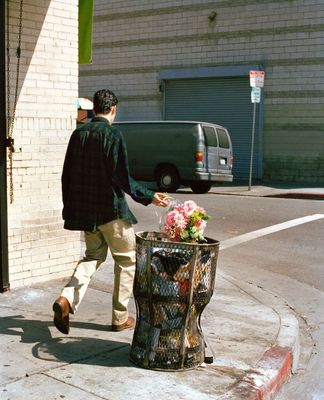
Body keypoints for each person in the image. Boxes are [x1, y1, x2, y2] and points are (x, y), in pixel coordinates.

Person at [52, 89, 168, 334]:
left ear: (94, 108)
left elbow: (66, 176)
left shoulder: (78, 134)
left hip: (86, 212)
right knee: (127, 261)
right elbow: (122, 177)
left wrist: (69, 208)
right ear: (113, 109)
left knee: (92, 257)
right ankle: (119, 317)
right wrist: (150, 196)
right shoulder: (113, 135)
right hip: (111, 211)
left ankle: (66, 299)